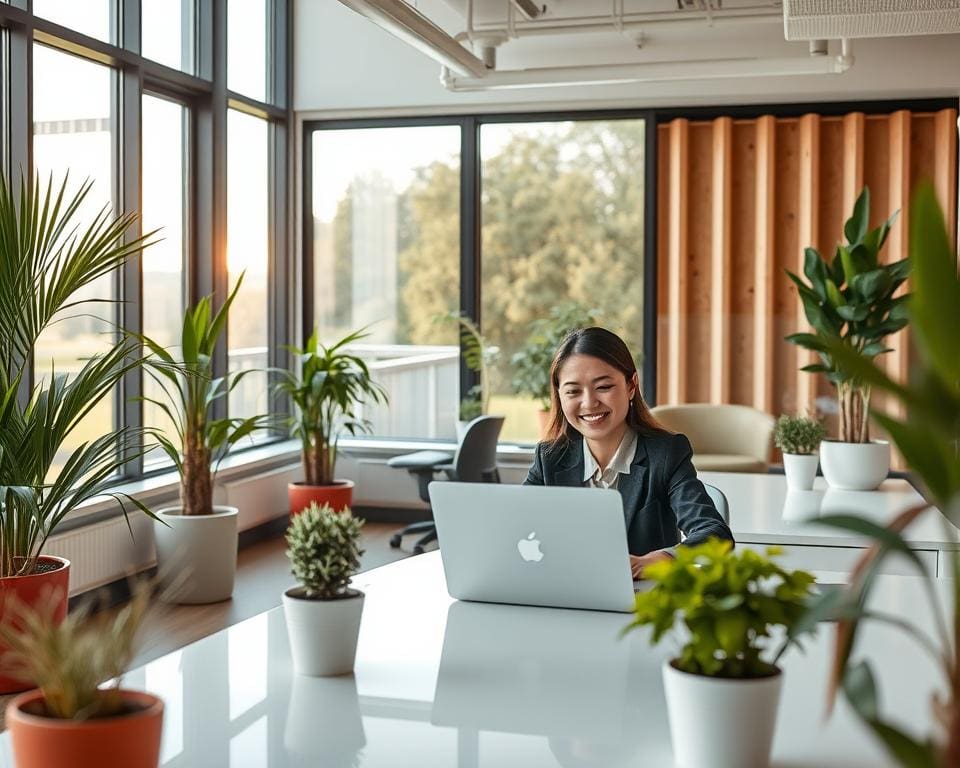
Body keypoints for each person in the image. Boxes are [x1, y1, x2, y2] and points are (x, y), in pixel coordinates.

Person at [524, 326, 734, 578]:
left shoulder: (665, 454)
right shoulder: (550, 457)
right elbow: (515, 526)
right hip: (565, 597)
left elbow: (714, 533)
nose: (589, 402)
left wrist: (664, 558)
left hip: (641, 604)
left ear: (631, 386)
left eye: (603, 387)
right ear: (559, 395)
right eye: (573, 391)